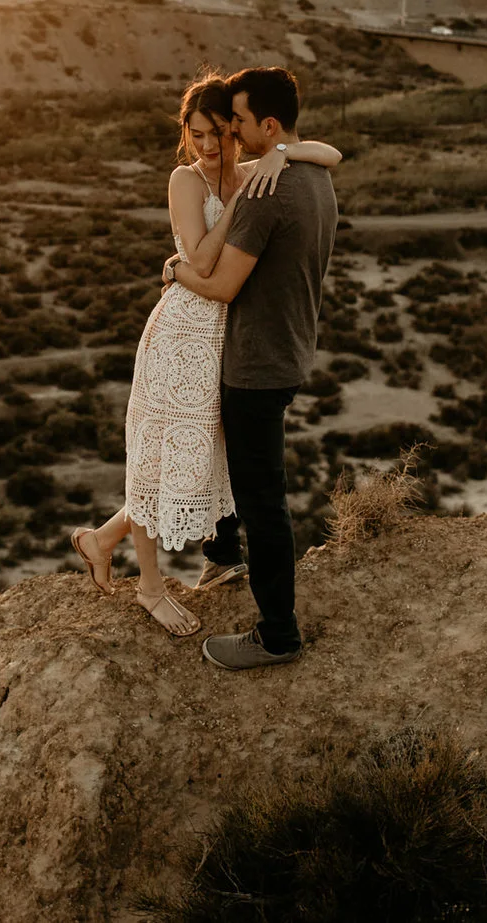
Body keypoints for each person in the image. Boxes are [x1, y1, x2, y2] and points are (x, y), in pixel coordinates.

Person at [69, 73, 340, 637]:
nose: (210, 145)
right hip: (182, 334)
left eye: (219, 132)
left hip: (225, 339)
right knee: (157, 460)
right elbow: (202, 262)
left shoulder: (259, 168)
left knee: (201, 465)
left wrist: (285, 152)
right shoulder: (185, 180)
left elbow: (331, 153)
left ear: (239, 131)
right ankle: (149, 588)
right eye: (197, 134)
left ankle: (100, 540)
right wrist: (231, 210)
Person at [165, 65, 336, 670]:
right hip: (290, 350)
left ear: (266, 125)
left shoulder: (266, 193)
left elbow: (222, 286)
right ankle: (222, 554)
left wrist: (174, 271)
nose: (229, 133)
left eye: (236, 121)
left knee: (263, 501)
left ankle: (277, 634)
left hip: (256, 365)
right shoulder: (312, 175)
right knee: (252, 488)